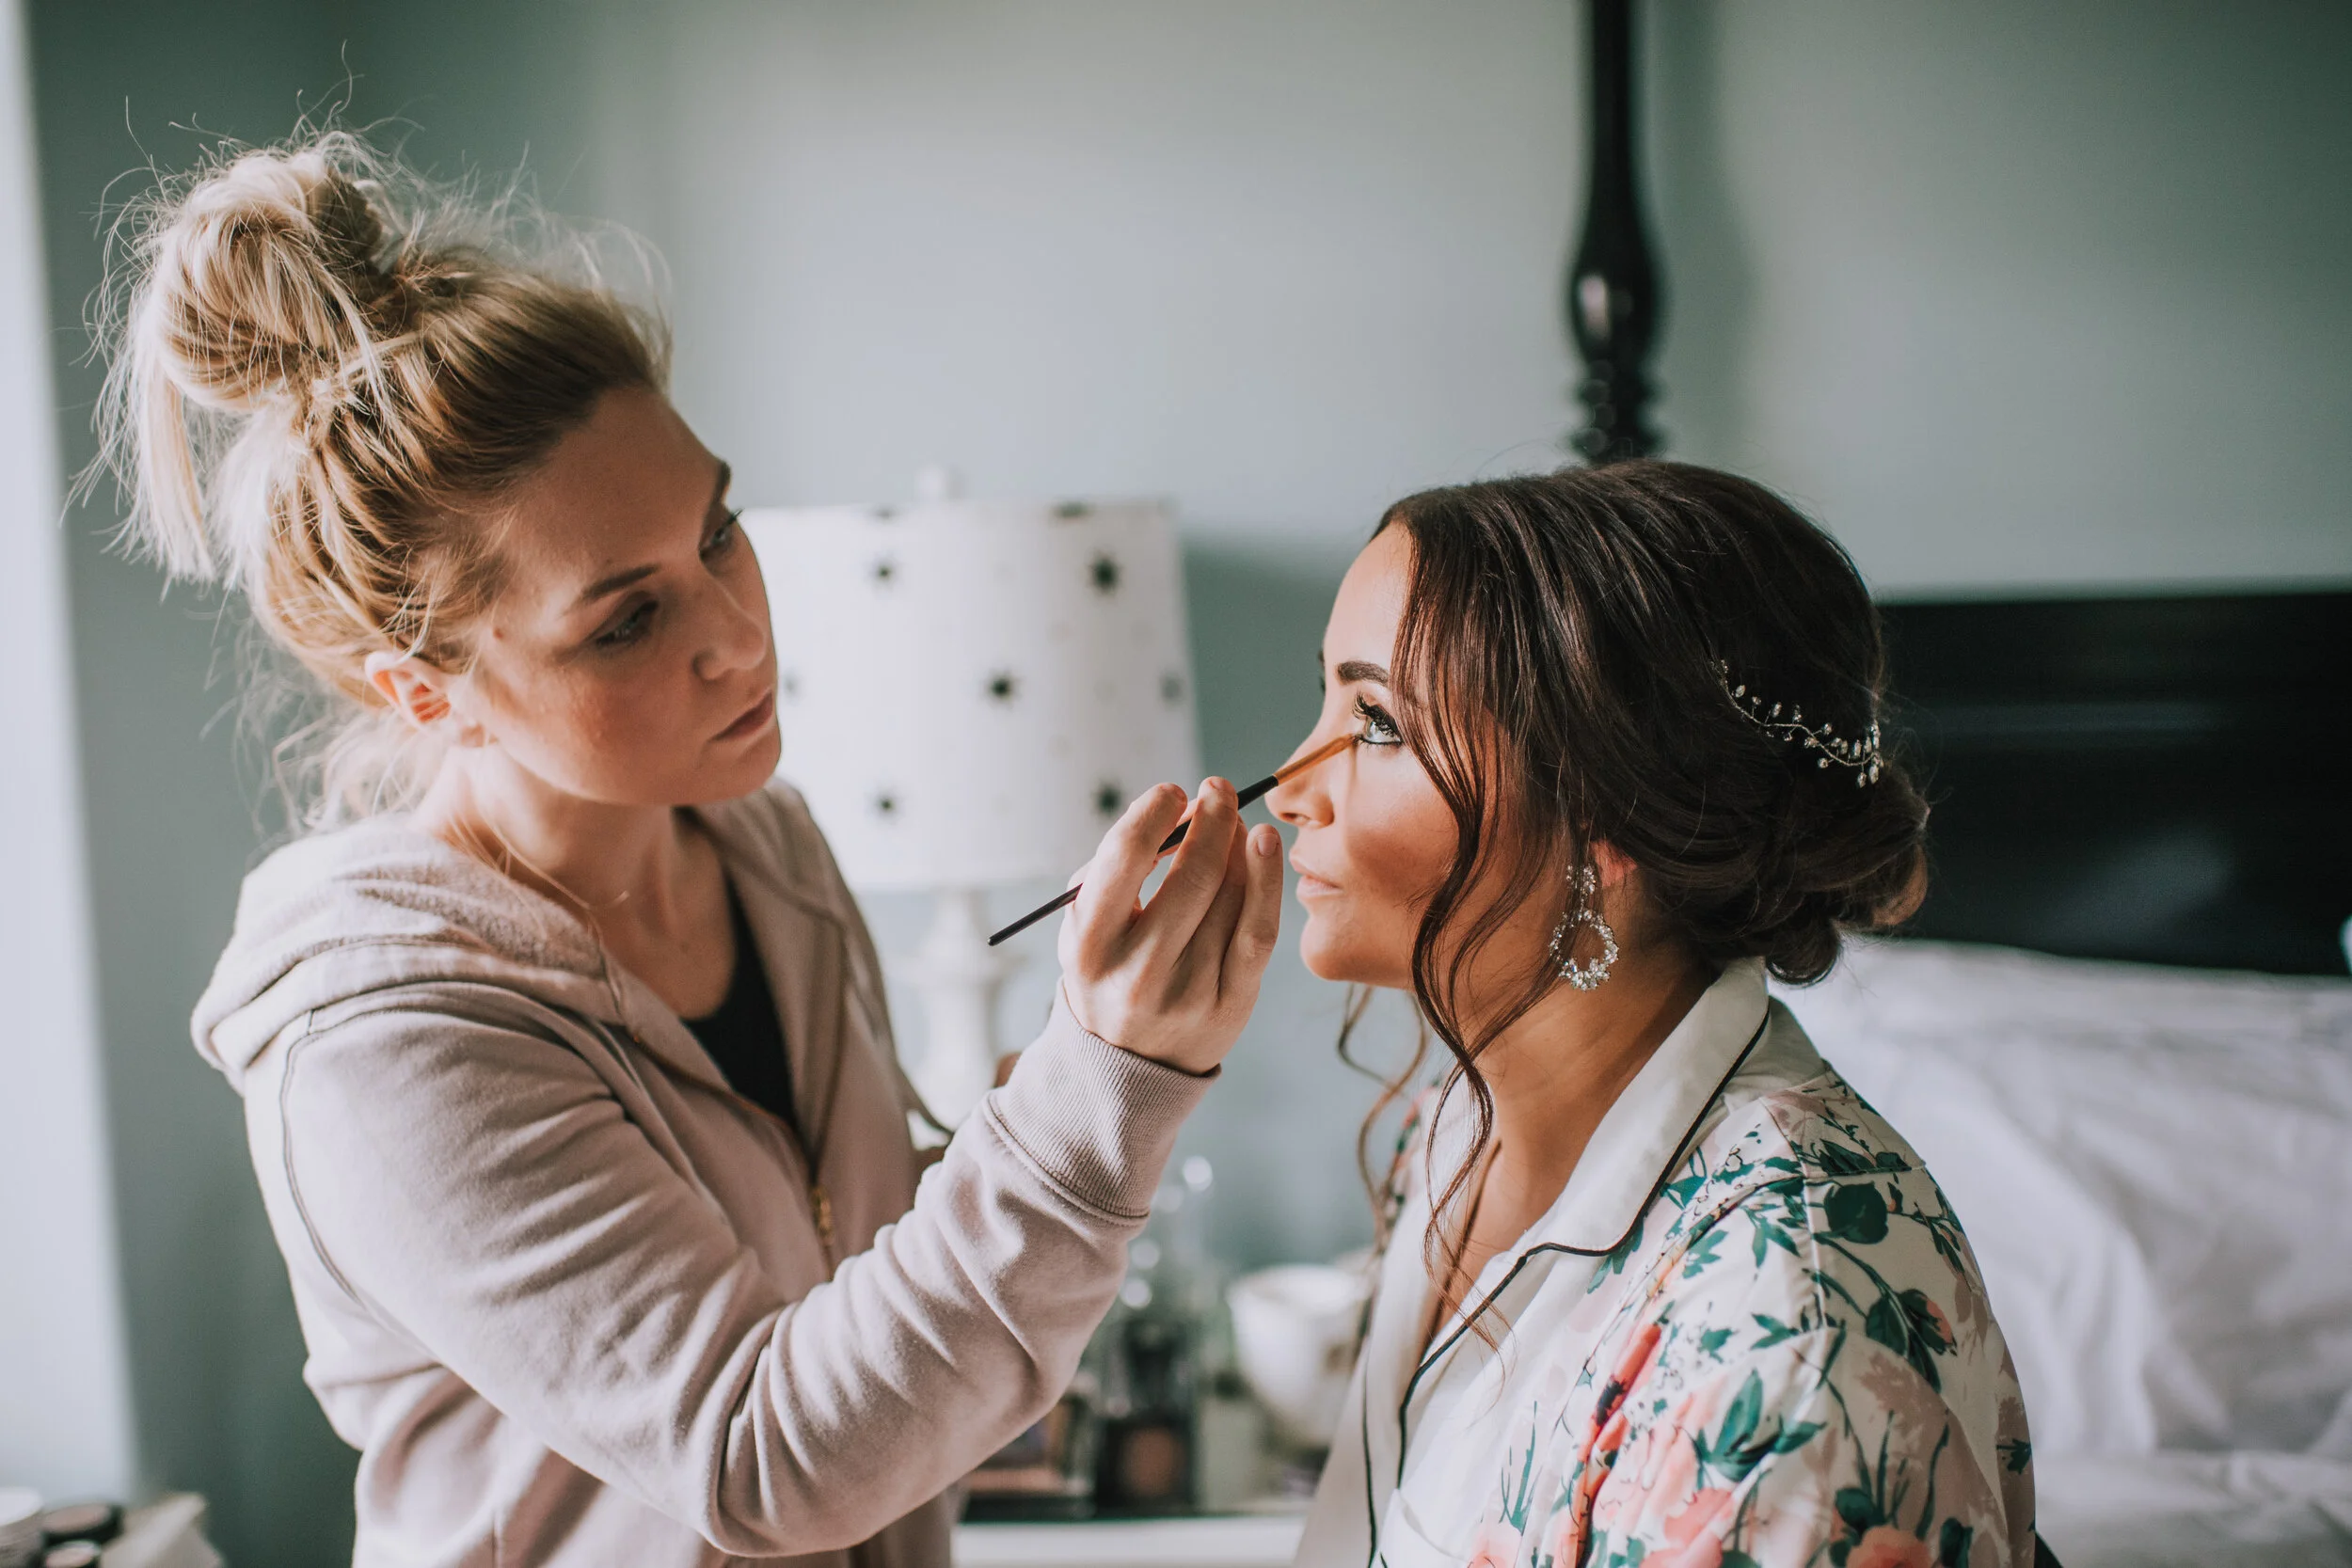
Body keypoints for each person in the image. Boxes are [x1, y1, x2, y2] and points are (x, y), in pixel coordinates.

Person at [95, 131, 1286, 1567]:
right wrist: (1106, 1095)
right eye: (627, 619)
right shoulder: (382, 1044)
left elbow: (835, 1242)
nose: (739, 636)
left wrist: (1038, 1097)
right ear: (419, 687)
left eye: (718, 530)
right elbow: (758, 1453)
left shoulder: (762, 844)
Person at [1269, 464, 2036, 1567]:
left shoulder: (1781, 1331)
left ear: (1609, 816)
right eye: (1329, 702)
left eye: (1377, 721)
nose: (1294, 779)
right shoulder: (1446, 1134)